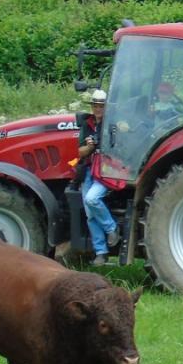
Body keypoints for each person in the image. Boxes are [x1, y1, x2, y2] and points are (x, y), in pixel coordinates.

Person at [78, 90, 120, 266]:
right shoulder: (87, 124)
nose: (97, 109)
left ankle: (112, 228)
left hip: (107, 169)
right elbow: (80, 152)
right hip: (89, 169)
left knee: (91, 199)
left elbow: (118, 146)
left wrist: (101, 143)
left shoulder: (112, 125)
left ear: (106, 107)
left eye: (101, 106)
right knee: (90, 215)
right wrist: (90, 146)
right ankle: (101, 252)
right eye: (95, 105)